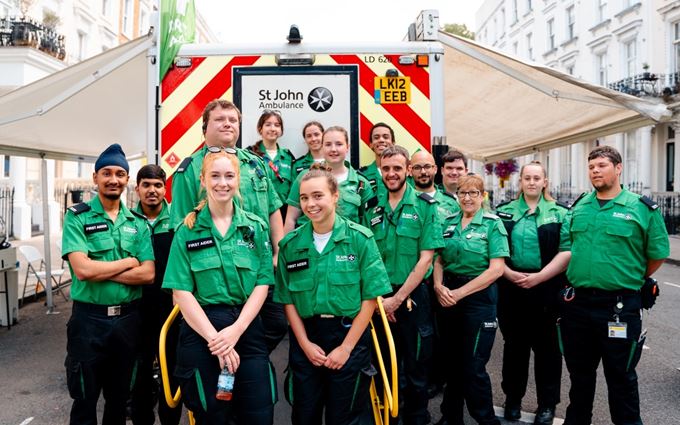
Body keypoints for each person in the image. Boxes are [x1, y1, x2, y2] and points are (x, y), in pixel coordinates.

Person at [162, 151, 275, 425]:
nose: (222, 183)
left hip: (246, 330)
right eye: (214, 175)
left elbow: (262, 283)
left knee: (259, 414)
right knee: (212, 415)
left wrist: (235, 332)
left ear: (238, 180)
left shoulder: (256, 228)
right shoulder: (186, 231)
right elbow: (181, 293)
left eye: (229, 176)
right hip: (203, 333)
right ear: (202, 180)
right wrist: (219, 343)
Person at [275, 164, 392, 425]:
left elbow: (370, 298)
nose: (310, 204)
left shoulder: (361, 239)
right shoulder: (290, 245)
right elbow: (287, 300)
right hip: (307, 339)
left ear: (335, 196)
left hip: (348, 336)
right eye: (304, 198)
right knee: (305, 416)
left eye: (318, 196)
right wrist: (304, 344)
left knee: (345, 417)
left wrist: (346, 348)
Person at [561, 145, 669, 425]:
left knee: (621, 379)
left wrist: (629, 277)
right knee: (579, 379)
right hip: (579, 306)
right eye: (591, 166)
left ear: (618, 168)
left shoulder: (641, 208)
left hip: (619, 307)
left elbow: (657, 254)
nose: (595, 170)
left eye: (601, 165)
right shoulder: (580, 206)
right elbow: (571, 247)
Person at [170, 99, 286, 354]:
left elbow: (273, 209)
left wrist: (277, 253)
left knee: (277, 323)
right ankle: (228, 360)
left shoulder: (256, 165)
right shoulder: (190, 170)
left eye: (233, 120)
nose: (228, 124)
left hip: (259, 272)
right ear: (205, 127)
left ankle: (240, 357)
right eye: (220, 119)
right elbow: (180, 226)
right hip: (213, 275)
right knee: (208, 334)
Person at [62, 143, 155, 425]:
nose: (113, 179)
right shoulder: (77, 217)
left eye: (119, 174)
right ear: (95, 178)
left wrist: (99, 269)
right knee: (84, 399)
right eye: (106, 173)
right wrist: (128, 262)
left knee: (118, 400)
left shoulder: (137, 223)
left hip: (127, 322)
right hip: (88, 322)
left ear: (127, 180)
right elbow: (82, 269)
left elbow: (148, 274)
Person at [362, 145, 444, 425]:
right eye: (386, 169)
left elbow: (426, 260)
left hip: (412, 297)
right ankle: (388, 418)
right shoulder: (371, 208)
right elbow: (367, 258)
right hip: (379, 297)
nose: (391, 173)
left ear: (408, 170)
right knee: (384, 363)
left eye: (397, 168)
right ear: (380, 171)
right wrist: (381, 299)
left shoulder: (425, 206)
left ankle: (416, 418)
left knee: (416, 366)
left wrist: (397, 299)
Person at [495, 161, 571, 425]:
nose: (531, 182)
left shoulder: (560, 213)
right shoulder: (502, 212)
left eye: (536, 178)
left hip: (547, 288)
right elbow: (493, 251)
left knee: (548, 350)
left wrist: (539, 277)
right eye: (527, 177)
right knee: (514, 348)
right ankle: (512, 400)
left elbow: (566, 251)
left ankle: (547, 405)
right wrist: (510, 274)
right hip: (512, 287)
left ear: (545, 182)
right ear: (521, 181)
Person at [432, 173, 509, 425]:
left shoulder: (492, 224)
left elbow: (496, 269)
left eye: (473, 193)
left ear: (482, 196)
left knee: (473, 366)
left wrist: (459, 293)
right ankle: (450, 417)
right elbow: (439, 259)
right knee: (451, 363)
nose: (467, 198)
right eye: (462, 193)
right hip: (448, 295)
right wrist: (437, 286)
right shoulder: (449, 222)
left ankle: (486, 420)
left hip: (478, 298)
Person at [130, 165, 181, 425]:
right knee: (138, 374)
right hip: (136, 311)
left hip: (171, 312)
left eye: (157, 185)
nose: (152, 190)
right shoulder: (127, 222)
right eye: (146, 185)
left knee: (171, 373)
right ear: (137, 188)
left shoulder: (180, 221)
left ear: (165, 188)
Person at [284, 126, 373, 232]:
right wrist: (286, 247)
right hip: (308, 245)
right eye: (328, 144)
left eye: (339, 144)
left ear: (347, 147)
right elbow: (291, 219)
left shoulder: (361, 184)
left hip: (347, 245)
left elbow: (368, 224)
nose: (333, 149)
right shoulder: (305, 177)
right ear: (322, 147)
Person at [247, 110, 296, 208]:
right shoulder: (249, 155)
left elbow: (293, 190)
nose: (273, 128)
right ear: (260, 129)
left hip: (283, 213)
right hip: (259, 210)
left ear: (281, 130)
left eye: (277, 125)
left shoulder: (288, 157)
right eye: (268, 125)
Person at [411, 150, 459, 219]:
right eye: (417, 167)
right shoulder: (403, 200)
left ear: (435, 169)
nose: (423, 172)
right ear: (410, 170)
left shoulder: (451, 204)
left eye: (427, 167)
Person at [359, 122, 395, 195]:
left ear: (393, 143)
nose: (381, 140)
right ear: (371, 145)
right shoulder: (361, 175)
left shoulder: (406, 173)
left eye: (386, 137)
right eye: (376, 137)